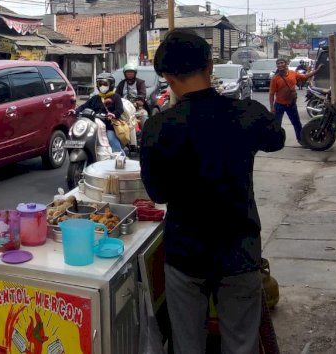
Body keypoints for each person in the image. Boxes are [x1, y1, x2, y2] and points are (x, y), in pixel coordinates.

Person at [140, 31, 285, 354]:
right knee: (242, 343)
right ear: (211, 65)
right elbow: (277, 139)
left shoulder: (158, 127)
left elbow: (158, 193)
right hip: (240, 248)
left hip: (185, 253)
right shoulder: (247, 113)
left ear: (167, 77)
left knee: (187, 343)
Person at [70, 72, 124, 152]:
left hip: (109, 126)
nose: (102, 86)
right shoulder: (95, 98)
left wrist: (113, 114)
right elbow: (84, 106)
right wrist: (75, 111)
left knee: (111, 138)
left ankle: (120, 157)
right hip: (93, 125)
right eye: (100, 84)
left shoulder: (116, 97)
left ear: (111, 85)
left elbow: (120, 109)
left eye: (105, 84)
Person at [269, 58, 321, 142]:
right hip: (279, 105)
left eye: (281, 63)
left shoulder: (293, 74)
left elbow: (305, 77)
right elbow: (271, 94)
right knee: (276, 124)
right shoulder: (275, 79)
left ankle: (301, 140)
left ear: (286, 64)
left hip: (291, 104)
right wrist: (272, 107)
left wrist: (317, 70)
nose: (279, 65)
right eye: (278, 63)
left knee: (296, 123)